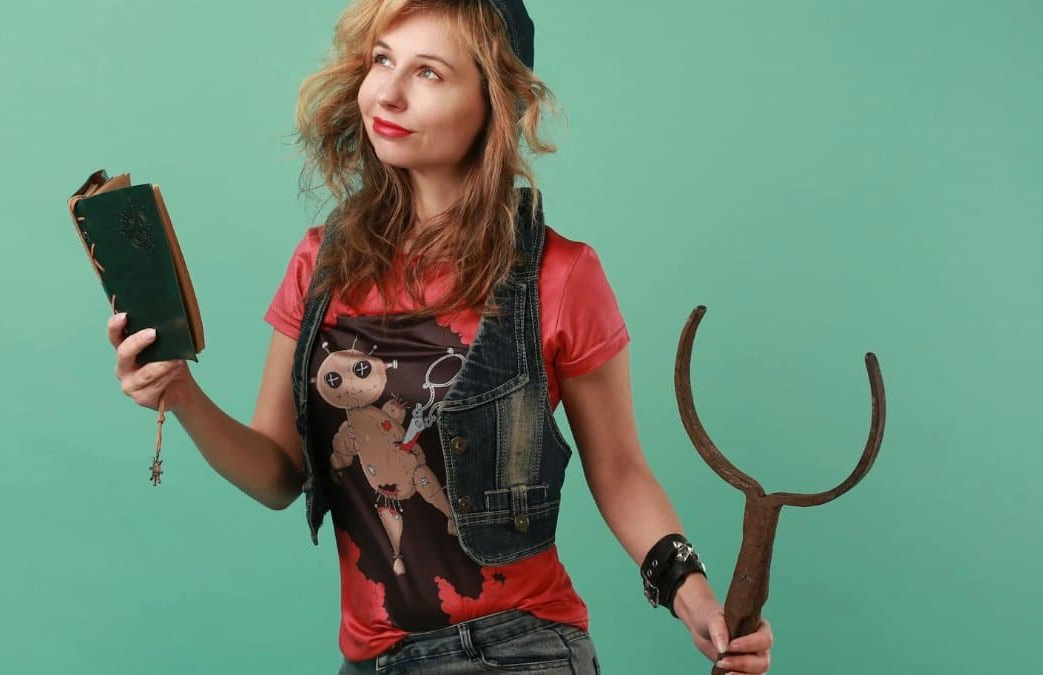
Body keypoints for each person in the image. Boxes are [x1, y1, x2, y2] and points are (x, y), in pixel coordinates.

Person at [106, 0, 775, 672]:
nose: (387, 93)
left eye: (429, 73)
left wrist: (697, 598)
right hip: (370, 659)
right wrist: (182, 393)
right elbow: (280, 473)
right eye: (381, 61)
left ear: (494, 102)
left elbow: (622, 472)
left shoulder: (560, 275)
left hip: (514, 649)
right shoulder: (321, 263)